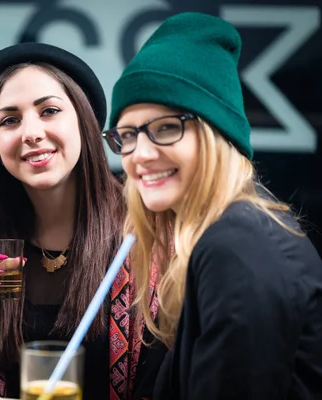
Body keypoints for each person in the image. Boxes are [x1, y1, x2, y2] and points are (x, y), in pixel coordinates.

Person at [0, 42, 167, 399]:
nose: (31, 133)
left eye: (49, 110)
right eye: (9, 120)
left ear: (83, 120)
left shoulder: (146, 234)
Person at [104, 12, 322, 400]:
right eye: (127, 135)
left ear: (216, 134)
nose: (140, 153)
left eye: (167, 127)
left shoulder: (237, 245)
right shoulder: (229, 231)